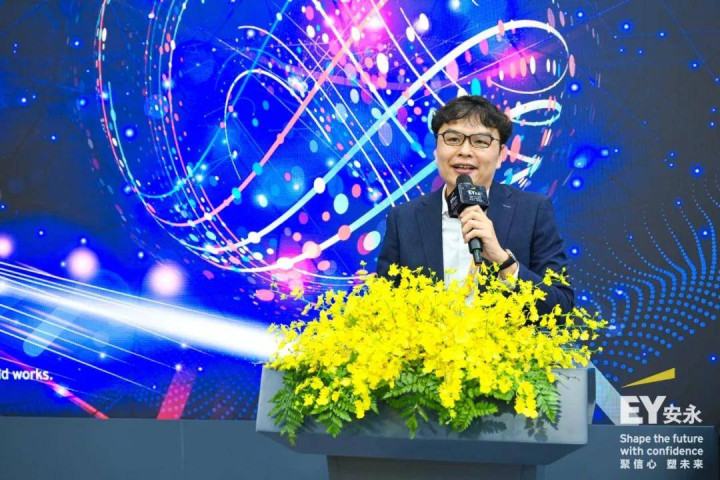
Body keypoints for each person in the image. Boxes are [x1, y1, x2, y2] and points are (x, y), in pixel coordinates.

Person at [376, 95, 573, 314]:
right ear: (436, 152)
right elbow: (383, 308)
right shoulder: (403, 218)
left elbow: (562, 308)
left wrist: (503, 260)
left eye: (480, 141)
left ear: (501, 155)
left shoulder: (533, 211)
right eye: (453, 139)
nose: (465, 151)